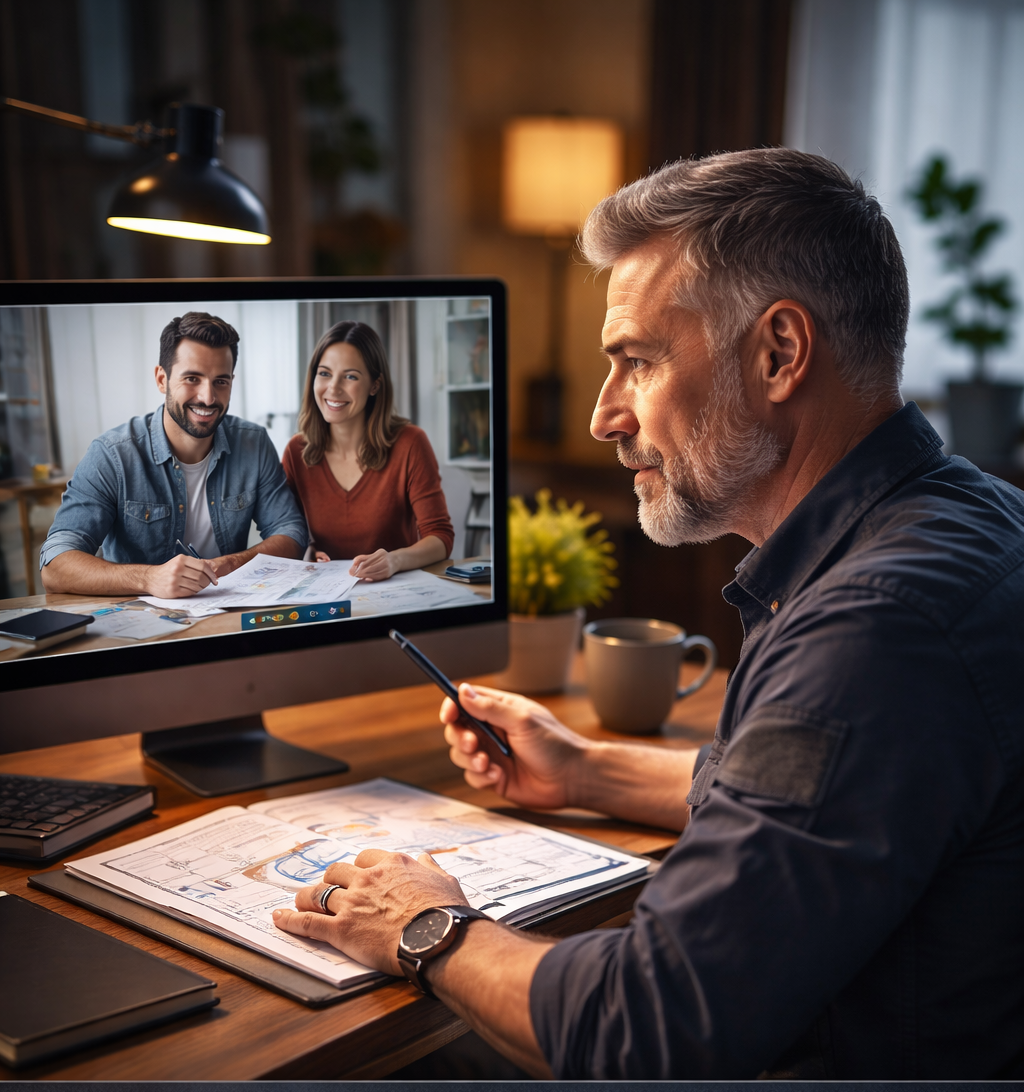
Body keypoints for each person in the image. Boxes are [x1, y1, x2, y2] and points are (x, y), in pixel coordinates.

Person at [272, 150, 1024, 1079]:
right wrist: (587, 770)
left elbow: (650, 1026)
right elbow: (821, 802)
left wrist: (428, 926)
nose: (602, 416)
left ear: (780, 352)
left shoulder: (877, 623)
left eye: (636, 361)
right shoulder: (970, 515)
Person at [41, 312, 307, 598]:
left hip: (227, 612)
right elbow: (55, 564)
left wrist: (231, 563)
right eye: (192, 378)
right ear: (161, 379)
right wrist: (149, 579)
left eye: (221, 381)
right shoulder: (112, 455)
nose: (207, 397)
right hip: (139, 624)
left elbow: (291, 532)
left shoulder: (253, 443)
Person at [282, 320, 454, 582]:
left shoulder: (411, 443)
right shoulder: (297, 451)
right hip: (328, 595)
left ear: (375, 385)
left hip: (395, 591)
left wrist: (394, 560)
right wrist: (309, 552)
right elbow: (289, 534)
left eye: (350, 376)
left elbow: (440, 536)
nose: (333, 388)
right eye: (324, 373)